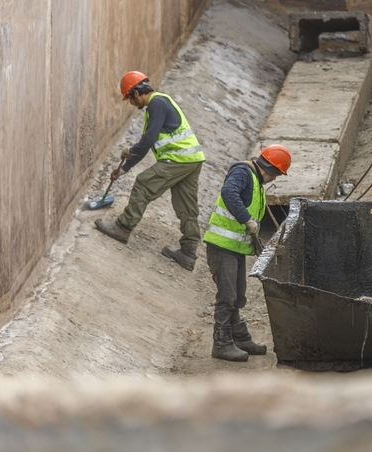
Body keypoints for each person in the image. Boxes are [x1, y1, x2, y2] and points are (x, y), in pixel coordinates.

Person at [95, 71, 206, 271]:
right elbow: (147, 144)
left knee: (144, 184)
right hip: (193, 160)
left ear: (136, 92)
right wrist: (124, 169)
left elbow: (148, 139)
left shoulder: (156, 104)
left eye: (129, 98)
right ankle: (189, 252)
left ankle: (123, 227)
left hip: (178, 159)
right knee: (186, 204)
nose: (130, 103)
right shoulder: (159, 104)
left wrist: (131, 150)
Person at [204, 144, 291, 361]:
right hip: (222, 246)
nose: (276, 179)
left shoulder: (256, 182)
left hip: (235, 248)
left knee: (238, 294)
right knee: (227, 295)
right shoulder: (243, 172)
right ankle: (221, 344)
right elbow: (228, 192)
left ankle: (239, 337)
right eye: (278, 174)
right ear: (271, 169)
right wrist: (246, 220)